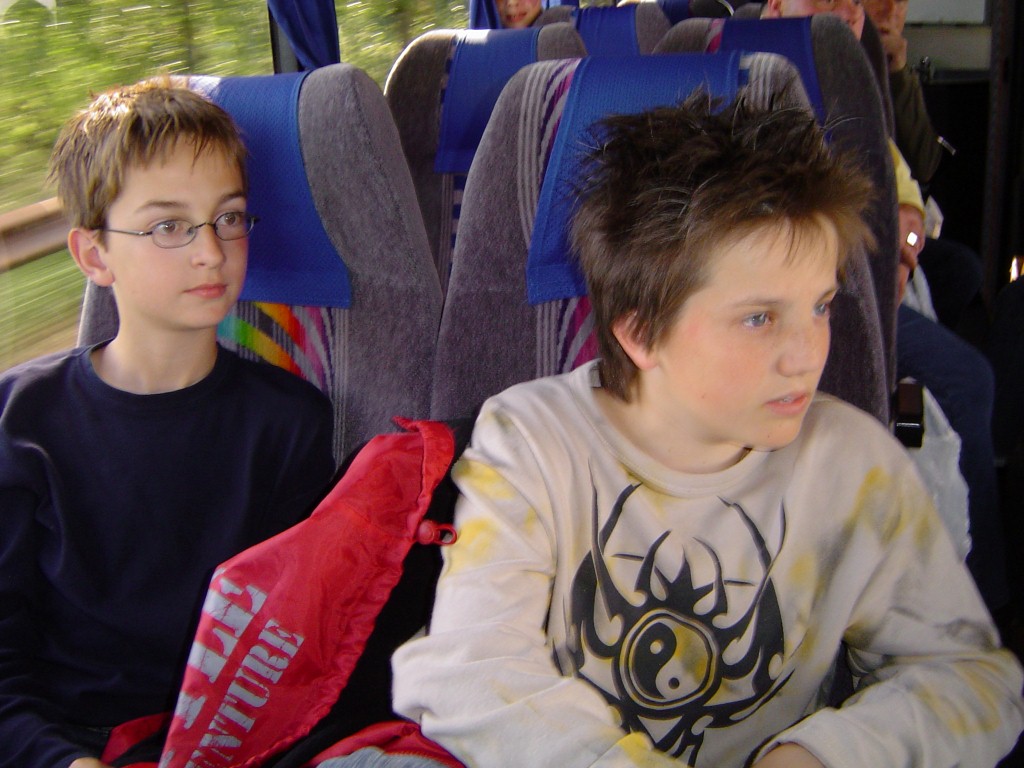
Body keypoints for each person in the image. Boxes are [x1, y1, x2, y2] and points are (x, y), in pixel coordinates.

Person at [389, 95, 1024, 767]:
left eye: (820, 306)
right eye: (758, 319)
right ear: (641, 333)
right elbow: (471, 666)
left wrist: (819, 755)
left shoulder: (853, 463)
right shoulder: (531, 443)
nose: (808, 355)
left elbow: (972, 677)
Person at [0, 79, 337, 768]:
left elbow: (290, 644)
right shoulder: (22, 422)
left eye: (228, 217)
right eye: (169, 227)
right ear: (94, 256)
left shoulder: (289, 424)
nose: (211, 251)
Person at [764, 0, 1010, 621]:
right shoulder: (752, 75)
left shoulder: (848, 70)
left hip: (871, 263)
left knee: (960, 272)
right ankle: (983, 603)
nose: (846, 9)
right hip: (827, 283)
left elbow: (906, 168)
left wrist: (906, 224)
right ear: (776, 4)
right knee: (969, 379)